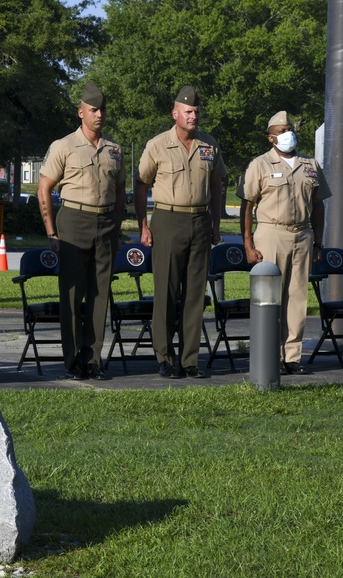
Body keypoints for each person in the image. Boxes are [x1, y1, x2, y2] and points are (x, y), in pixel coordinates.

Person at [136, 86, 225, 379]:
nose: (193, 116)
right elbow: (141, 185)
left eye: (197, 111)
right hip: (167, 220)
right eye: (188, 111)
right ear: (175, 114)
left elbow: (216, 186)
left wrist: (215, 223)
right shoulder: (158, 144)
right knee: (166, 291)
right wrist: (143, 225)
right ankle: (165, 357)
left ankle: (190, 360)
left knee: (195, 295)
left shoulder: (209, 145)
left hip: (199, 221)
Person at [37, 82, 125, 380]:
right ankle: (73, 360)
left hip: (106, 224)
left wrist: (118, 227)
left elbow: (121, 190)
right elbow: (44, 188)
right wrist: (51, 231)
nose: (99, 114)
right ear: (81, 112)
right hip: (74, 220)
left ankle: (93, 360)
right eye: (93, 110)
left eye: (102, 109)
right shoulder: (63, 146)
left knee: (100, 295)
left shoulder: (114, 149)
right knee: (73, 295)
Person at [241, 111, 330, 375]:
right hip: (271, 234)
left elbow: (318, 205)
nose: (287, 134)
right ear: (271, 138)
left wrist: (318, 243)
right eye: (281, 131)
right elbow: (247, 206)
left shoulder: (310, 164)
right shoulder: (260, 164)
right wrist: (248, 243)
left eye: (289, 129)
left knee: (297, 297)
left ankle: (292, 357)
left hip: (302, 235)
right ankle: (269, 355)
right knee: (270, 299)